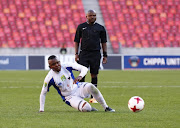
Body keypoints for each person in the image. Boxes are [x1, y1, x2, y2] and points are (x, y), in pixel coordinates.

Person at [39, 55, 115, 112]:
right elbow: (43, 93)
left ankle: (106, 107)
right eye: (54, 64)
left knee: (91, 86)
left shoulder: (66, 66)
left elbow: (84, 68)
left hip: (78, 87)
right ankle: (91, 109)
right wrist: (41, 109)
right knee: (86, 108)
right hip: (69, 97)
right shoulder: (49, 78)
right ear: (50, 67)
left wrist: (80, 76)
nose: (57, 65)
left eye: (58, 62)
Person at [74, 10, 108, 103]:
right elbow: (76, 41)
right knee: (83, 74)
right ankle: (81, 95)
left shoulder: (100, 28)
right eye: (90, 15)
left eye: (94, 15)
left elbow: (103, 42)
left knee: (94, 75)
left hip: (96, 54)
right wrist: (76, 54)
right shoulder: (81, 27)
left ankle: (94, 97)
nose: (92, 17)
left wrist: (105, 55)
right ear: (86, 16)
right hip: (84, 53)